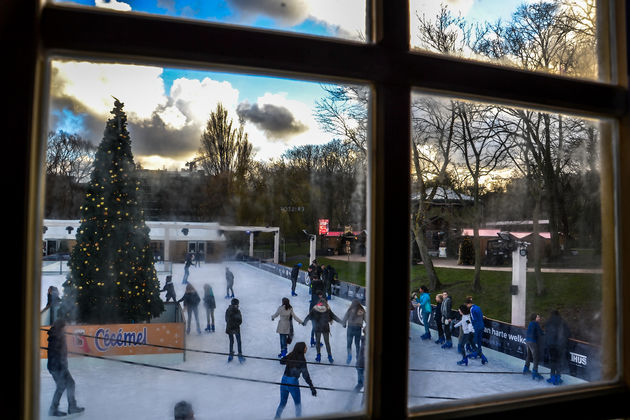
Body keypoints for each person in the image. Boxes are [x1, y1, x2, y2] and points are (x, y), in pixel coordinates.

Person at [47, 318, 85, 417]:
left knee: (68, 384)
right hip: (57, 367)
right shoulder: (56, 337)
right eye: (64, 327)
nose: (65, 329)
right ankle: (55, 409)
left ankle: (70, 407)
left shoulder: (58, 335)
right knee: (62, 386)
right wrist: (62, 367)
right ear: (61, 327)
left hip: (58, 366)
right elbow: (56, 354)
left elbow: (61, 353)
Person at [274, 342, 317, 419]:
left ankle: (276, 418)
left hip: (284, 380)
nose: (306, 348)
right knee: (297, 404)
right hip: (292, 382)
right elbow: (306, 376)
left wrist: (288, 359)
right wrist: (312, 387)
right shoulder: (302, 360)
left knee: (282, 403)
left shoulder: (291, 355)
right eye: (305, 347)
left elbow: (281, 361)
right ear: (301, 349)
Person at [302, 298, 345, 363]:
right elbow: (334, 317)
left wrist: (304, 322)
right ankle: (330, 357)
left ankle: (318, 356)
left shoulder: (314, 309)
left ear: (319, 303)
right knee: (327, 343)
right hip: (325, 328)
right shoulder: (327, 309)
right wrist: (342, 322)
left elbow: (309, 316)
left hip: (317, 328)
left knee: (317, 342)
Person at [545, 310, 571, 385]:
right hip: (560, 346)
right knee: (559, 362)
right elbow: (568, 333)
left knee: (553, 362)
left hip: (551, 345)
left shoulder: (548, 322)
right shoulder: (562, 322)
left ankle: (552, 378)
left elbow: (546, 333)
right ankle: (558, 378)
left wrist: (547, 344)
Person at [342, 299, 366, 364]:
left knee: (349, 344)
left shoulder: (350, 309)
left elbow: (345, 317)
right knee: (357, 344)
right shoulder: (362, 310)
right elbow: (367, 320)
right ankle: (358, 358)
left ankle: (349, 355)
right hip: (358, 328)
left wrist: (344, 324)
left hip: (350, 328)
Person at [466, 296, 488, 364]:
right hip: (481, 326)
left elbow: (473, 320)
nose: (467, 306)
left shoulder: (472, 309)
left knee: (473, 341)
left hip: (476, 327)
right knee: (478, 340)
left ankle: (477, 353)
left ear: (469, 304)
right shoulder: (478, 307)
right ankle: (479, 351)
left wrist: (469, 324)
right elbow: (480, 316)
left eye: (467, 305)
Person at [524, 313, 544, 380]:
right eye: (538, 317)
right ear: (535, 318)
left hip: (527, 341)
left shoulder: (530, 323)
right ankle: (535, 373)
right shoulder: (536, 323)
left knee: (529, 356)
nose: (539, 318)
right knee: (535, 357)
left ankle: (526, 369)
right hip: (532, 342)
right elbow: (540, 333)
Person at [226, 298, 245, 363]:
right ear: (235, 304)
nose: (238, 305)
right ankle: (240, 355)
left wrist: (231, 324)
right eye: (237, 304)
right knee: (238, 342)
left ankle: (231, 355)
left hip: (229, 328)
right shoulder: (237, 311)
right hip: (235, 328)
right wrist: (235, 324)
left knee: (232, 341)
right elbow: (240, 321)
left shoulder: (228, 310)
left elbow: (226, 319)